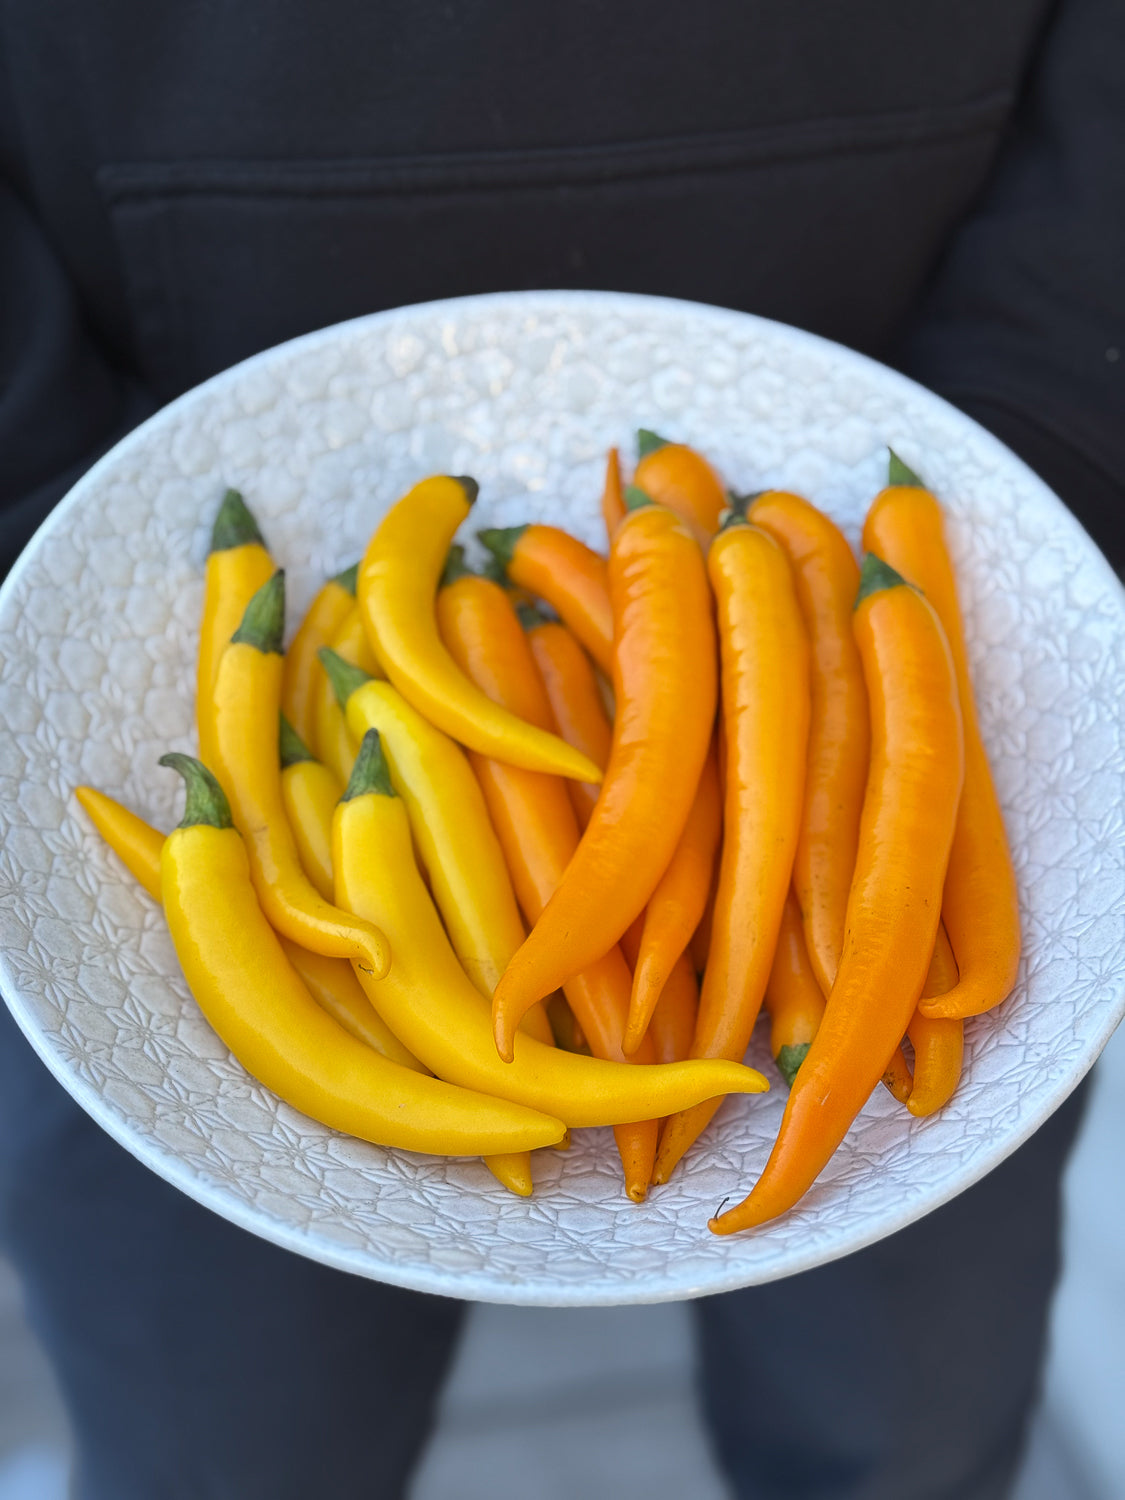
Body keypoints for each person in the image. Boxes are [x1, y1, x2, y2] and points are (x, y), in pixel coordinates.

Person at [0, 3, 1119, 1496]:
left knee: (896, 1431)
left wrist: (1028, 449)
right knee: (223, 1447)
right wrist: (50, 509)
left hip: (914, 472)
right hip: (129, 476)